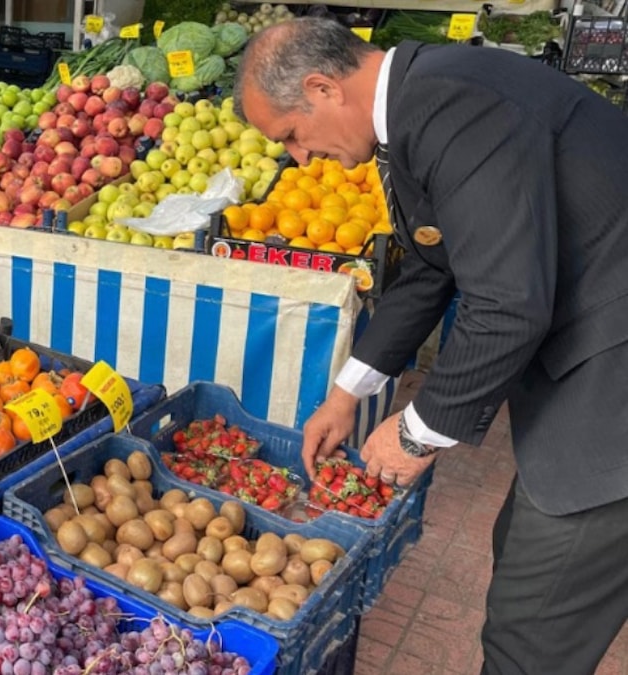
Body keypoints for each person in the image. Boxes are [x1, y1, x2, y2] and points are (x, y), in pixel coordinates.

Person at [234, 17, 628, 675]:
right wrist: (346, 393)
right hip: (593, 352)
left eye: (292, 138)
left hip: (610, 376)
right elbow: (431, 264)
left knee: (534, 629)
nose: (299, 160)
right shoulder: (422, 99)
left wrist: (419, 431)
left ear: (322, 87)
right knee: (524, 559)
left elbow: (505, 305)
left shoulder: (454, 106)